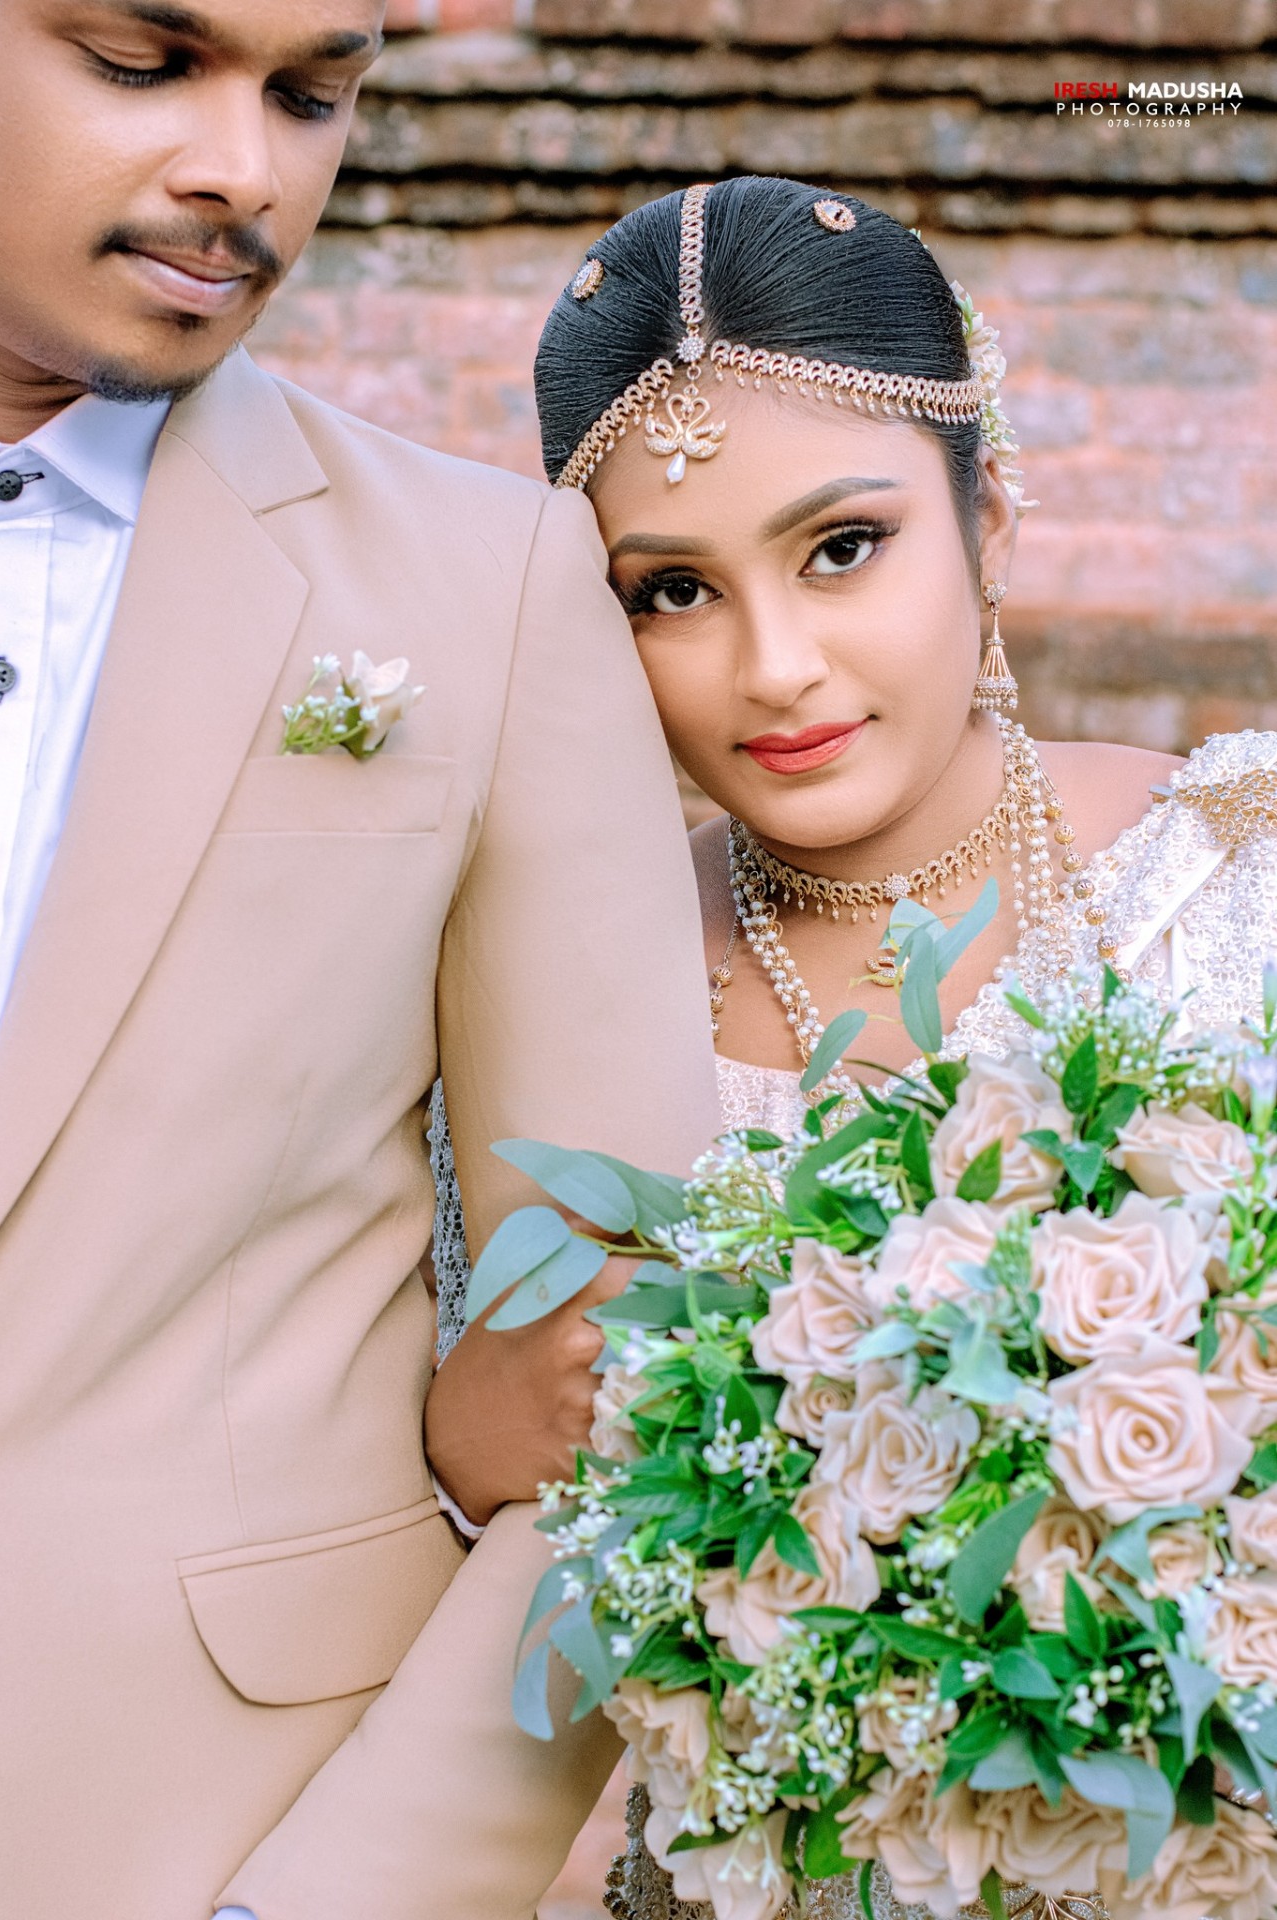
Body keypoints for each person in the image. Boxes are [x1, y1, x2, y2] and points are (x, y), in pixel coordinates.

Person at [436, 174, 1277, 1918]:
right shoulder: (536, 990)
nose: (775, 668)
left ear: (992, 515)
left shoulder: (1242, 875)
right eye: (673, 590)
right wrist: (461, 1448)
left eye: (842, 547)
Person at [0, 4, 721, 1916]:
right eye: (145, 64)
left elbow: (639, 1370)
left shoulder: (486, 592)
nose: (246, 170)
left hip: (192, 1840)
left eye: (313, 95)